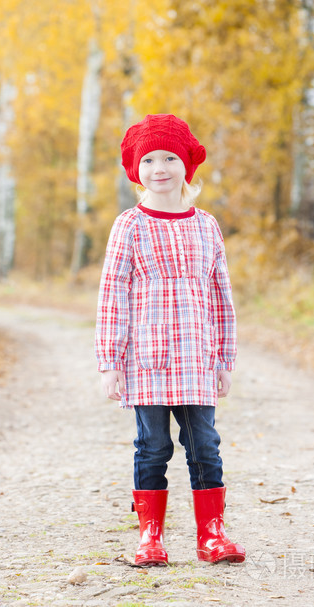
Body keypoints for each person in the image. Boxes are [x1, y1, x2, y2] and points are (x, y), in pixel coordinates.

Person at [95, 113, 245, 567]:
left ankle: (211, 535)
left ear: (187, 166)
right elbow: (112, 295)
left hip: (196, 359)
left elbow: (221, 295)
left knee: (205, 445)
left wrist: (223, 359)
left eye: (170, 158)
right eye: (150, 160)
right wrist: (110, 362)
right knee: (153, 447)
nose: (160, 168)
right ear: (136, 171)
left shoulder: (206, 226)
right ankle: (150, 536)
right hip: (147, 361)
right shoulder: (130, 225)